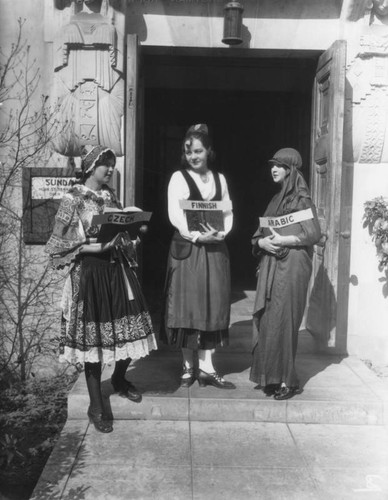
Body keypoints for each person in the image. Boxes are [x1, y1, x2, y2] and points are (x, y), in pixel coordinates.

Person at [45, 145, 157, 432]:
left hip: (116, 270)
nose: (109, 169)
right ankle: (96, 404)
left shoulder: (110, 196)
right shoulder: (73, 198)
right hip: (90, 273)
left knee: (132, 328)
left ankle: (119, 379)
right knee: (92, 340)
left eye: (112, 164)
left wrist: (134, 231)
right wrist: (97, 245)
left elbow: (119, 231)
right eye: (104, 164)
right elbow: (60, 241)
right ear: (91, 166)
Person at [162, 124, 236, 389]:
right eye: (189, 152)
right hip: (189, 250)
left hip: (215, 249)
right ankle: (187, 366)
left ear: (208, 151)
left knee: (212, 305)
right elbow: (176, 215)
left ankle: (207, 366)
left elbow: (227, 212)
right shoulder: (179, 178)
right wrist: (196, 236)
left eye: (198, 151)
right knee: (188, 306)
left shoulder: (220, 180)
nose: (193, 157)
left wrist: (221, 233)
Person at [250, 148, 321, 400]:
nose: (274, 169)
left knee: (287, 321)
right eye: (272, 165)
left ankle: (288, 381)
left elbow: (313, 234)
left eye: (279, 166)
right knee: (270, 319)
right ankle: (270, 376)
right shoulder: (274, 201)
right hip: (271, 266)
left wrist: (285, 240)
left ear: (291, 170)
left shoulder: (303, 201)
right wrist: (262, 244)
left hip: (292, 267)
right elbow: (260, 232)